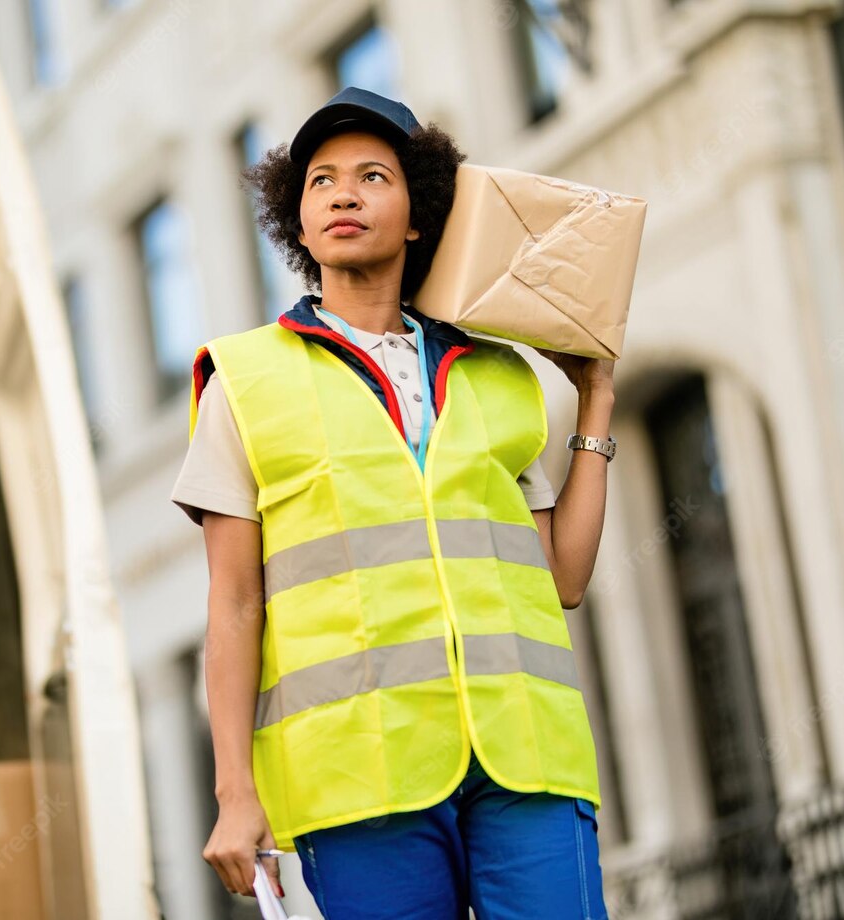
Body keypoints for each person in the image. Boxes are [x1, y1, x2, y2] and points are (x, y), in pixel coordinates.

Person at [170, 86, 616, 919]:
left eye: (374, 176)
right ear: (297, 224)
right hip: (359, 781)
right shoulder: (244, 382)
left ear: (418, 215)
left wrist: (594, 399)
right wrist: (236, 792)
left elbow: (563, 578)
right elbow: (233, 603)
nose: (344, 193)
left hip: (526, 758)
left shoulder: (499, 375)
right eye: (321, 181)